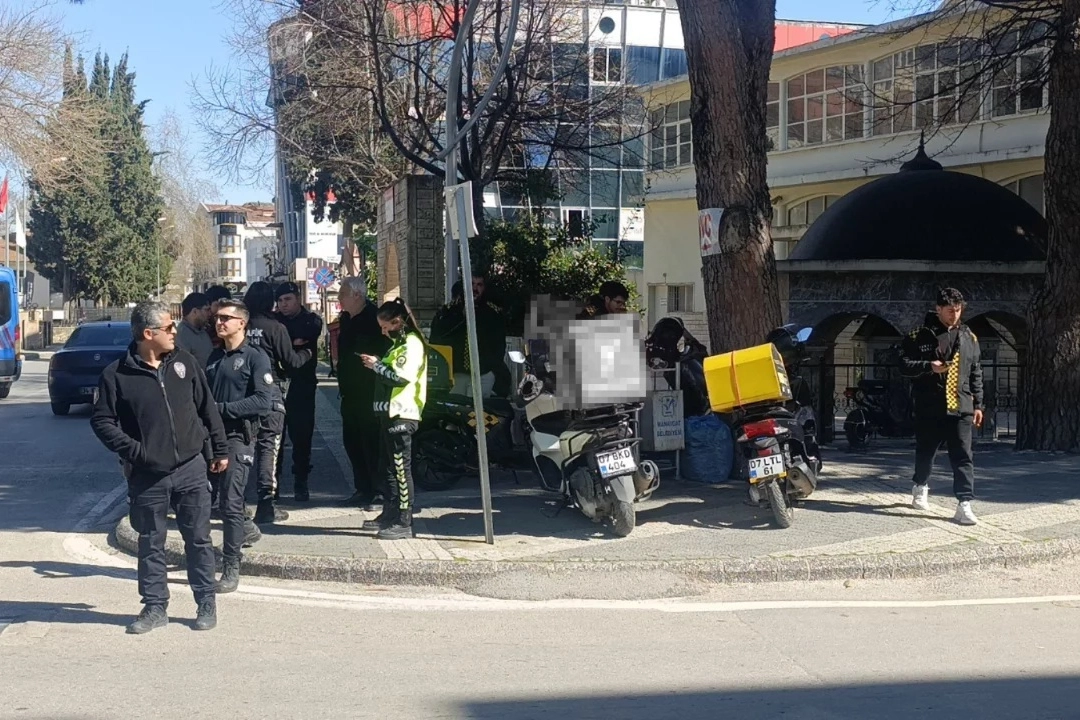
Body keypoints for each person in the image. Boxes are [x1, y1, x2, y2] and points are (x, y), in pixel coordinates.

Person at [90, 301, 229, 634]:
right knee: (151, 542)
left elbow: (206, 407)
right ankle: (154, 607)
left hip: (191, 467)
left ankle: (205, 601)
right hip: (148, 475)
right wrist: (137, 452)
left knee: (198, 539)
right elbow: (102, 421)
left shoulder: (185, 362)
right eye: (168, 327)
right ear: (148, 334)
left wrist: (219, 448)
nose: (174, 332)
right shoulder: (116, 375)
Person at [205, 300, 275, 593]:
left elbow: (263, 401)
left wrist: (222, 409)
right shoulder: (214, 356)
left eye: (225, 318)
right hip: (210, 438)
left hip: (238, 437)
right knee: (205, 500)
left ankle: (231, 565)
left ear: (241, 323)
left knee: (231, 502)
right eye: (217, 318)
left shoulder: (255, 358)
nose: (219, 322)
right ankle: (244, 529)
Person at [900, 287, 984, 526]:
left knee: (963, 456)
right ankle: (920, 485)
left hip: (961, 405)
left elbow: (976, 371)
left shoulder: (969, 337)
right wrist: (928, 366)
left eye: (958, 310)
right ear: (938, 309)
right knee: (926, 452)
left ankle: (964, 503)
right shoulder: (919, 335)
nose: (954, 315)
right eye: (949, 310)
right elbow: (903, 364)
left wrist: (979, 404)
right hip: (930, 405)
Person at [243, 281, 314, 523]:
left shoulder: (241, 325)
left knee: (241, 446)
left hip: (242, 391)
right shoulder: (275, 327)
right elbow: (291, 361)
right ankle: (266, 504)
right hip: (270, 388)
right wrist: (307, 353)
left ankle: (236, 502)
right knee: (268, 447)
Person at [359, 298, 428, 540]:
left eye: (385, 327)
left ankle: (404, 520)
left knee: (401, 469)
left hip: (402, 413)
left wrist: (377, 366)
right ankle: (390, 512)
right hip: (388, 413)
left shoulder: (411, 344)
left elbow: (401, 378)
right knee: (387, 467)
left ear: (397, 322)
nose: (383, 332)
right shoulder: (397, 344)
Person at [336, 276, 389, 509]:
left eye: (343, 294)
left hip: (370, 391)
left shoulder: (374, 318)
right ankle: (362, 488)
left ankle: (379, 491)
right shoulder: (345, 318)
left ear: (357, 295)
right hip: (349, 392)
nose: (339, 298)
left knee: (372, 443)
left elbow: (386, 350)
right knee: (352, 442)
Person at [274, 282, 324, 501]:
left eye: (288, 299)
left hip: (302, 386)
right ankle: (273, 484)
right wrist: (292, 343)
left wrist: (285, 344)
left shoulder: (311, 320)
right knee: (275, 437)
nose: (283, 305)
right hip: (278, 384)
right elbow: (283, 344)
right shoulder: (275, 321)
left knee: (302, 437)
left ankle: (301, 481)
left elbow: (305, 336)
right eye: (280, 301)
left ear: (298, 298)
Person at [429, 274, 510, 398]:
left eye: (479, 285)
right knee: (457, 406)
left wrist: (491, 368)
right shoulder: (448, 312)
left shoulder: (493, 314)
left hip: (483, 373)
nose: (475, 289)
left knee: (478, 408)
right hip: (456, 373)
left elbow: (499, 345)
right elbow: (436, 339)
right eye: (471, 284)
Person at [176, 292, 212, 368]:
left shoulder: (202, 330)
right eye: (206, 310)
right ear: (195, 311)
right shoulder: (182, 335)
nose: (209, 314)